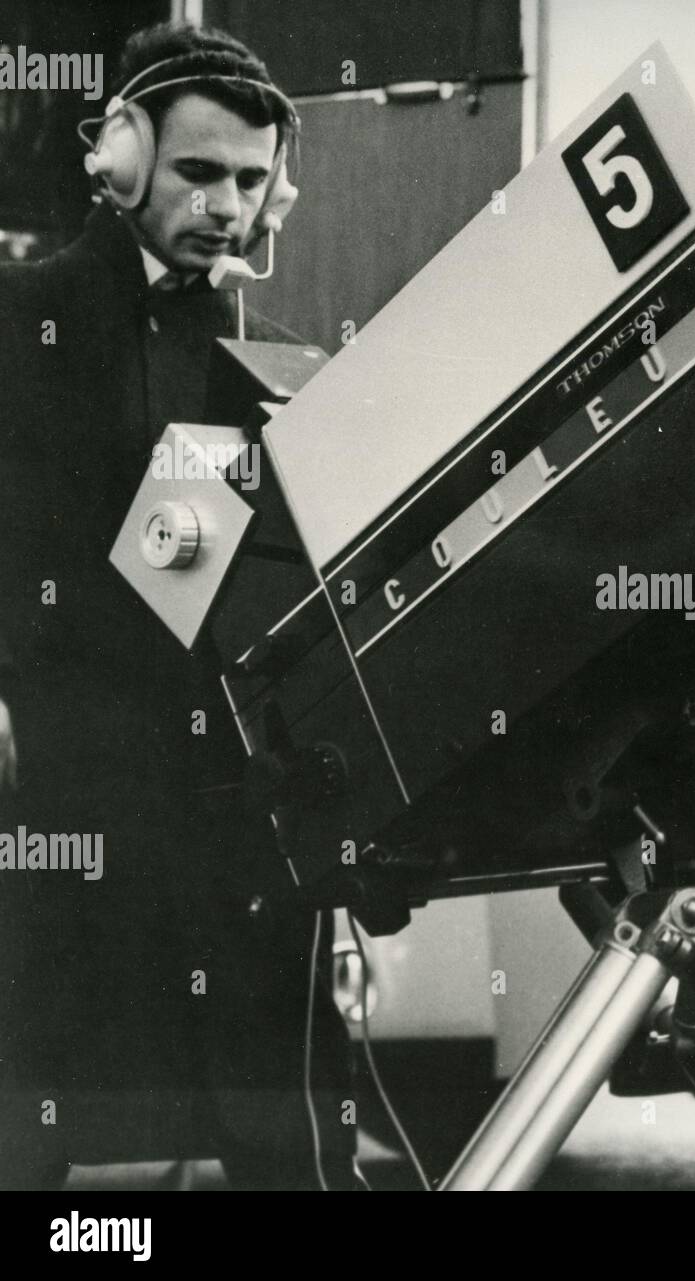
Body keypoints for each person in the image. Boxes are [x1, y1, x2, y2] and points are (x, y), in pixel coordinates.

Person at [0, 21, 353, 1189]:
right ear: (123, 160)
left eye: (253, 181)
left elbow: (169, 570)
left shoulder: (249, 348)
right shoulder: (20, 312)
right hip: (45, 753)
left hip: (194, 752)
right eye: (200, 173)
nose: (228, 206)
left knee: (265, 1069)